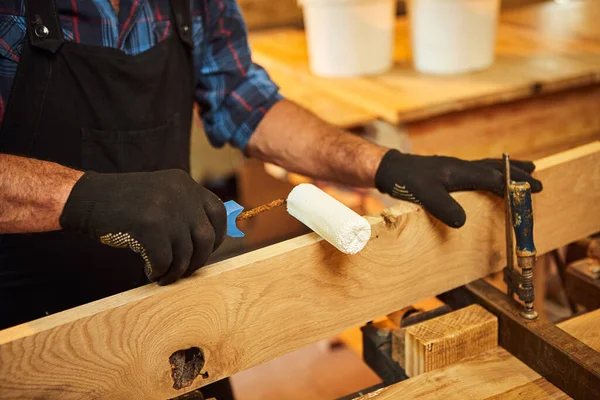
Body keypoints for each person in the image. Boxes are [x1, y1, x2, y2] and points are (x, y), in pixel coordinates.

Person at [0, 0, 541, 397]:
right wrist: (83, 196)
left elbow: (243, 99)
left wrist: (382, 164)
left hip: (174, 307)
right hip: (26, 327)